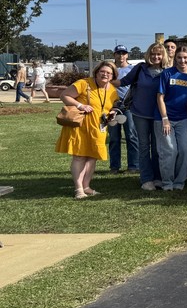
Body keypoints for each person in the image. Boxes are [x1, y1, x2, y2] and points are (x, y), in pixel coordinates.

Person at [56, 61, 120, 199]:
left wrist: (113, 111)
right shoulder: (84, 83)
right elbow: (64, 96)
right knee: (79, 156)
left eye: (109, 73)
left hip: (99, 127)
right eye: (102, 71)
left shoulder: (112, 90)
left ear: (113, 76)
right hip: (82, 126)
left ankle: (87, 186)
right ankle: (79, 189)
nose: (105, 74)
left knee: (92, 157)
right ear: (96, 72)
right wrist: (80, 105)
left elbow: (113, 104)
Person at [118, 43, 169, 190]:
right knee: (144, 146)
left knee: (158, 147)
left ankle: (158, 177)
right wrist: (103, 82)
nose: (155, 57)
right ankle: (146, 179)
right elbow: (124, 82)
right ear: (148, 55)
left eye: (159, 54)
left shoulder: (167, 71)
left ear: (163, 55)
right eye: (153, 54)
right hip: (140, 113)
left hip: (159, 115)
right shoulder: (140, 68)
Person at [155, 47, 187, 191]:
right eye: (179, 57)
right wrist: (165, 119)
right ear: (175, 58)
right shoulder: (167, 73)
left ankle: (179, 181)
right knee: (170, 150)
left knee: (186, 152)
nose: (182, 61)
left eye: (185, 57)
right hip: (164, 118)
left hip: (183, 120)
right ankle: (167, 182)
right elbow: (160, 97)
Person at [109, 46, 138, 174]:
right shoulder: (109, 69)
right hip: (112, 107)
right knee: (114, 138)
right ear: (114, 55)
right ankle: (114, 167)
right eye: (118, 53)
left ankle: (134, 166)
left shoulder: (132, 69)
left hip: (128, 106)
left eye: (123, 53)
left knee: (131, 135)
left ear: (127, 55)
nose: (121, 56)